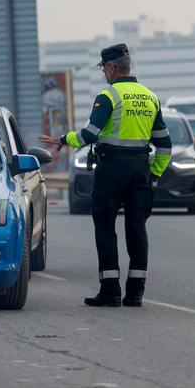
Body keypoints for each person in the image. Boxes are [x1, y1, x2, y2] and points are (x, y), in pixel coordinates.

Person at [38, 43, 172, 308]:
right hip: (140, 171)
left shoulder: (109, 96)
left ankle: (110, 292)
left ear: (111, 68)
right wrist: (153, 175)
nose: (104, 73)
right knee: (137, 230)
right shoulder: (150, 97)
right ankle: (135, 294)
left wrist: (62, 138)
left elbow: (89, 135)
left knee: (105, 226)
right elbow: (165, 145)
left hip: (112, 170)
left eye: (103, 68)